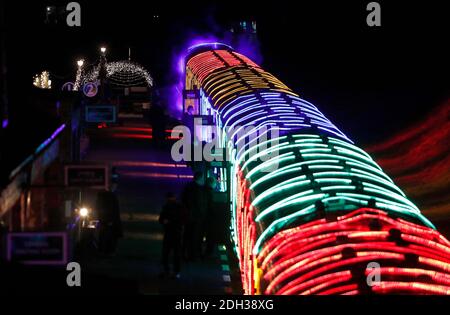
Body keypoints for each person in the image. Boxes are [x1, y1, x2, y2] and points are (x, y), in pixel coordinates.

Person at [182, 171, 208, 261]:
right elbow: (200, 204)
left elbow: (184, 200)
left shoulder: (188, 187)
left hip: (188, 217)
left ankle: (184, 254)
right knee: (195, 237)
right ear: (200, 178)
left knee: (187, 236)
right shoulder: (199, 190)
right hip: (196, 217)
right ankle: (192, 255)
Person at [159, 192, 185, 278]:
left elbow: (161, 220)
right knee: (177, 253)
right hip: (177, 233)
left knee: (166, 253)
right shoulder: (180, 207)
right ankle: (176, 272)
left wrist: (166, 222)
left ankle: (166, 270)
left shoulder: (166, 207)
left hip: (168, 233)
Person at [96, 184, 123, 256]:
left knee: (105, 235)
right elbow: (113, 209)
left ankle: (103, 250)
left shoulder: (104, 196)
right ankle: (106, 251)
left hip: (107, 220)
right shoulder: (110, 196)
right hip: (109, 220)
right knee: (108, 235)